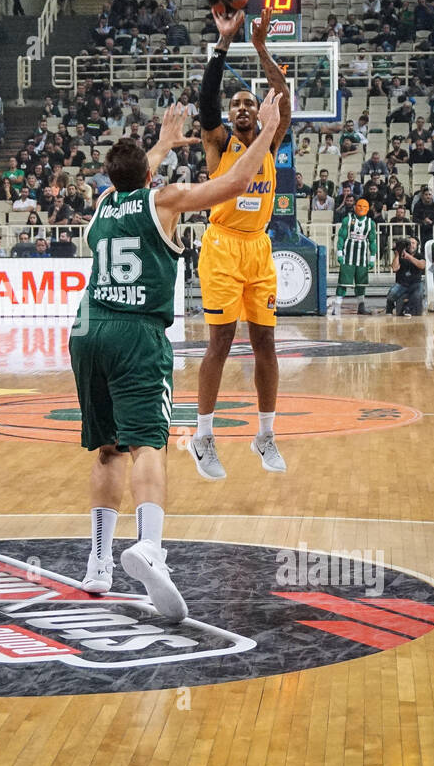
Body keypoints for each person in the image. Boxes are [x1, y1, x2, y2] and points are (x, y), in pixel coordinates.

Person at [71, 96, 282, 615]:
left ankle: (98, 565)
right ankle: (149, 548)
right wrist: (266, 132)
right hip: (135, 335)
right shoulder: (163, 200)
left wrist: (164, 141)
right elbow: (232, 185)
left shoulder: (103, 205)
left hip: (86, 330)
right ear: (148, 173)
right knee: (149, 446)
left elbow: (133, 176)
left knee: (108, 450)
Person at [190, 6, 292, 481]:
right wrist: (223, 43)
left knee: (266, 342)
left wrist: (259, 46)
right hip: (222, 246)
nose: (243, 108)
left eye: (250, 103)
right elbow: (206, 100)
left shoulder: (269, 143)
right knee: (221, 341)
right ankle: (203, 435)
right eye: (237, 105)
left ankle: (265, 434)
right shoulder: (218, 142)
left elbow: (283, 98)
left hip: (259, 249)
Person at [386, 236, 427, 315]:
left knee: (418, 294)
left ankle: (408, 309)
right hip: (402, 284)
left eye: (413, 243)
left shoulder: (420, 256)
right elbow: (394, 268)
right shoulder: (400, 255)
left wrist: (408, 257)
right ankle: (389, 307)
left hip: (415, 284)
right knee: (391, 294)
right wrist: (397, 254)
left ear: (417, 245)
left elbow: (422, 265)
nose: (411, 245)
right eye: (409, 243)